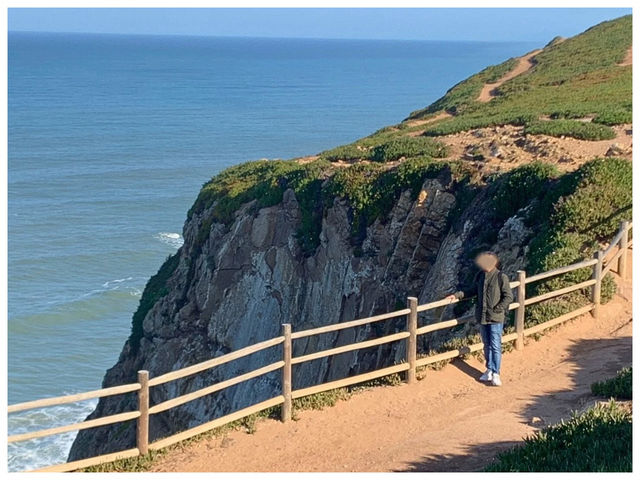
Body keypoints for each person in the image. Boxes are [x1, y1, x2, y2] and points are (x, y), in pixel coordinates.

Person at [444, 251, 513, 386]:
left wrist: (498, 309)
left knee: (495, 345)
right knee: (486, 344)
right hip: (482, 317)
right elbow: (471, 291)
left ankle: (496, 372)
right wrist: (456, 295)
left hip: (495, 318)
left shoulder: (501, 277)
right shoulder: (480, 276)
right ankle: (489, 369)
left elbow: (508, 296)